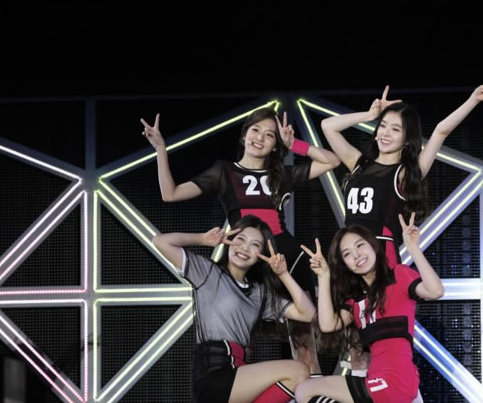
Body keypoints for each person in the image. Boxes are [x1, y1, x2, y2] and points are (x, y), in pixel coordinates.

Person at [141, 108, 341, 377]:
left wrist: (295, 144)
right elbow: (171, 193)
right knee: (239, 342)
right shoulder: (224, 172)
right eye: (256, 130)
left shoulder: (282, 174)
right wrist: (160, 150)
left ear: (275, 145)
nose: (260, 138)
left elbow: (332, 161)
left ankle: (313, 399)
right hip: (247, 261)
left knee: (304, 346)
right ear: (244, 134)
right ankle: (238, 397)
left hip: (287, 260)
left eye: (269, 135)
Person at [321, 76, 483, 268]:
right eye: (383, 126)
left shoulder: (404, 173)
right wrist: (370, 115)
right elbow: (328, 126)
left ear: (407, 139)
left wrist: (473, 99)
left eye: (395, 129)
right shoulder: (358, 163)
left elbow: (440, 131)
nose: (385, 133)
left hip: (381, 259)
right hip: (351, 257)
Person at [153, 215, 316, 403]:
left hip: (239, 378)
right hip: (213, 377)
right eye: (240, 239)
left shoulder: (260, 293)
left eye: (254, 245)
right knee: (299, 370)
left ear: (261, 255)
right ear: (229, 242)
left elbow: (308, 313)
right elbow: (160, 241)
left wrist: (283, 274)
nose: (245, 248)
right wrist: (203, 239)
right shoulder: (208, 273)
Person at [294, 213, 444, 403]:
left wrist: (413, 249)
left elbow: (435, 291)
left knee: (305, 391)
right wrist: (324, 276)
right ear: (344, 264)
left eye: (360, 245)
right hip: (375, 380)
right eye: (347, 254)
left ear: (374, 246)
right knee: (304, 391)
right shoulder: (357, 302)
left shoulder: (399, 276)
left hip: (396, 381)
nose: (356, 255)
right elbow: (327, 324)